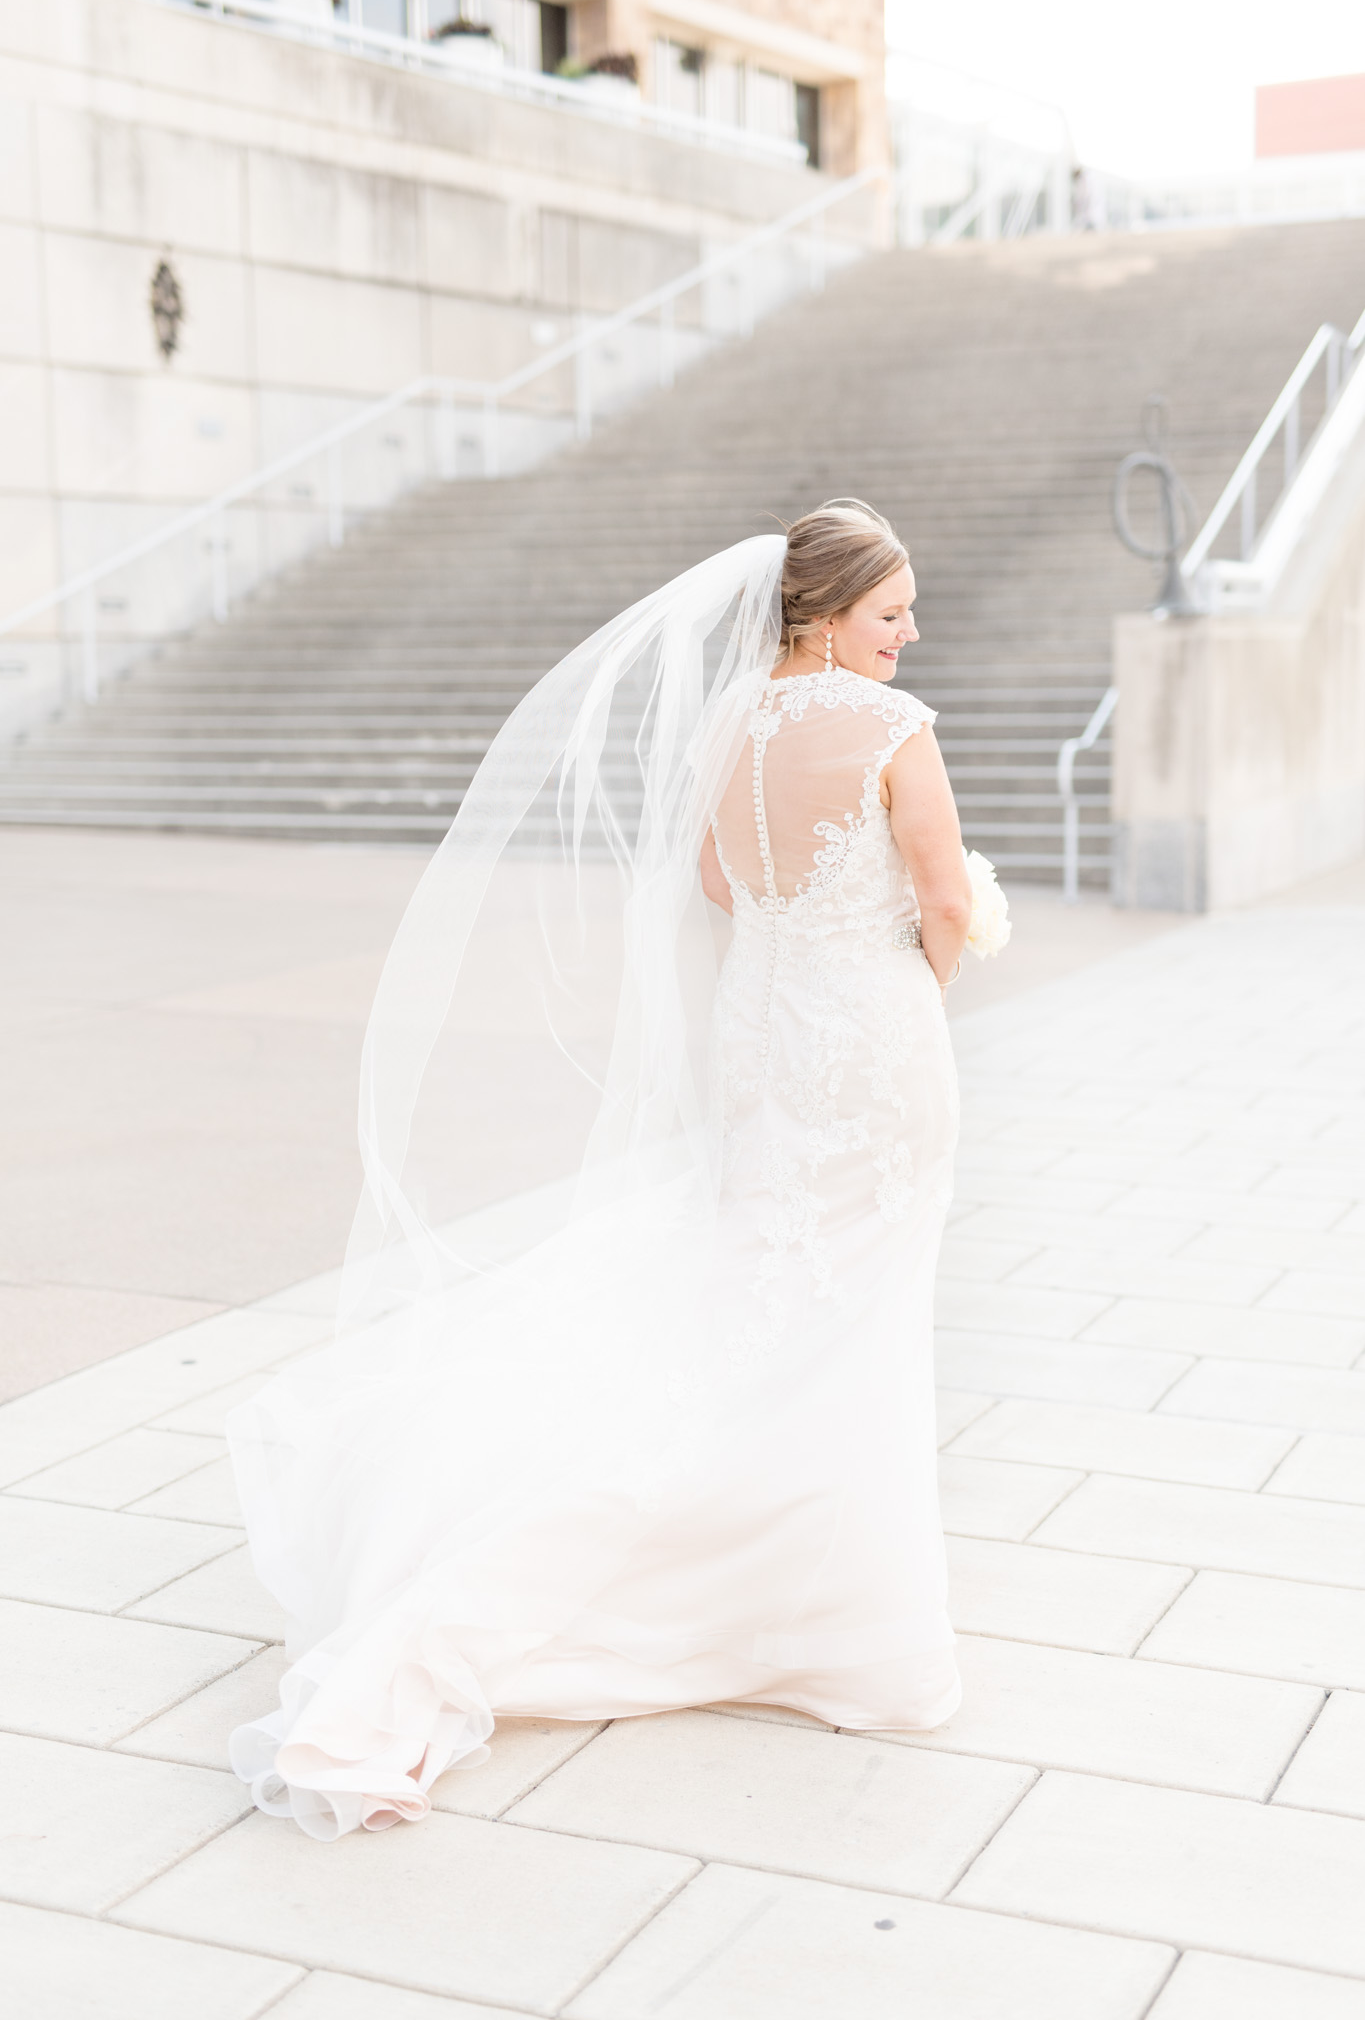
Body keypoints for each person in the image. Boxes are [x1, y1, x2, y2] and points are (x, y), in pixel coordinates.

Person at [228, 499, 973, 1841]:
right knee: (848, 1305)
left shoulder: (731, 719)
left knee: (760, 1294)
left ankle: (786, 1577)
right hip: (863, 1048)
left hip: (761, 1041)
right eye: (888, 613)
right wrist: (910, 967)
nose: (909, 635)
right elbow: (946, 904)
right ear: (819, 612)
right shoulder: (889, 734)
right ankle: (816, 1610)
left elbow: (712, 876)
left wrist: (808, 938)